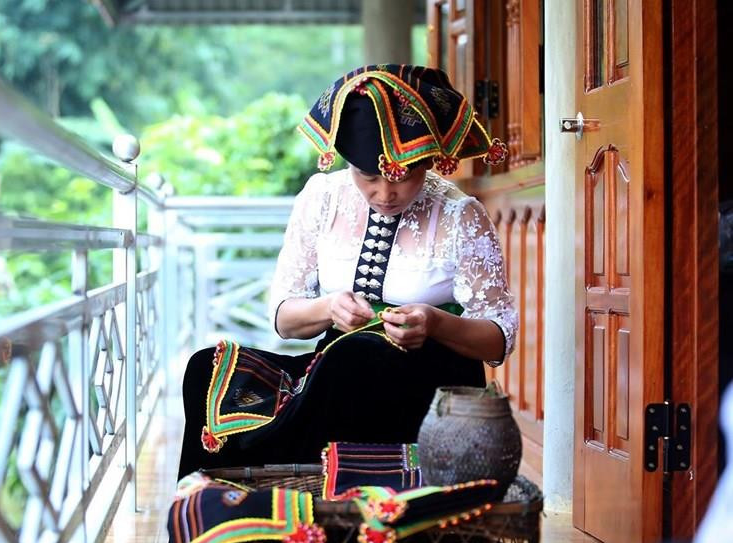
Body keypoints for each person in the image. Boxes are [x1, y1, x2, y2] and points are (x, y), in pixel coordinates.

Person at [177, 64, 518, 479]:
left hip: (427, 380)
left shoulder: (460, 215)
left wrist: (432, 322)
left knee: (354, 360)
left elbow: (497, 340)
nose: (385, 193)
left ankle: (278, 491)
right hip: (332, 371)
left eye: (405, 176)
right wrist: (328, 308)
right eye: (367, 177)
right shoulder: (323, 198)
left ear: (427, 161)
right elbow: (284, 320)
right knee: (204, 371)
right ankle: (214, 511)